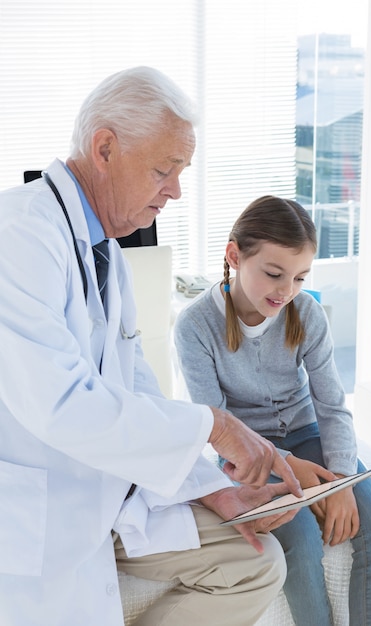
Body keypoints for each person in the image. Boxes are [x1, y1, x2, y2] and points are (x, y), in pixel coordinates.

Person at [0, 70, 309, 626]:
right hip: (37, 509)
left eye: (181, 172)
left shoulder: (105, 252)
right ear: (105, 149)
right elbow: (59, 403)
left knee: (255, 565)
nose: (175, 191)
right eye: (164, 170)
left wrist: (209, 487)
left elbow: (133, 382)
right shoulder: (18, 234)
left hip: (102, 490)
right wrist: (214, 424)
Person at [174, 195, 371, 626]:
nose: (286, 291)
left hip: (308, 433)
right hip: (247, 455)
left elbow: (332, 406)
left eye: (299, 278)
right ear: (234, 255)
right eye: (274, 274)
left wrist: (343, 483)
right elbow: (216, 422)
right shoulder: (194, 326)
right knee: (299, 537)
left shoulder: (307, 313)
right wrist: (290, 466)